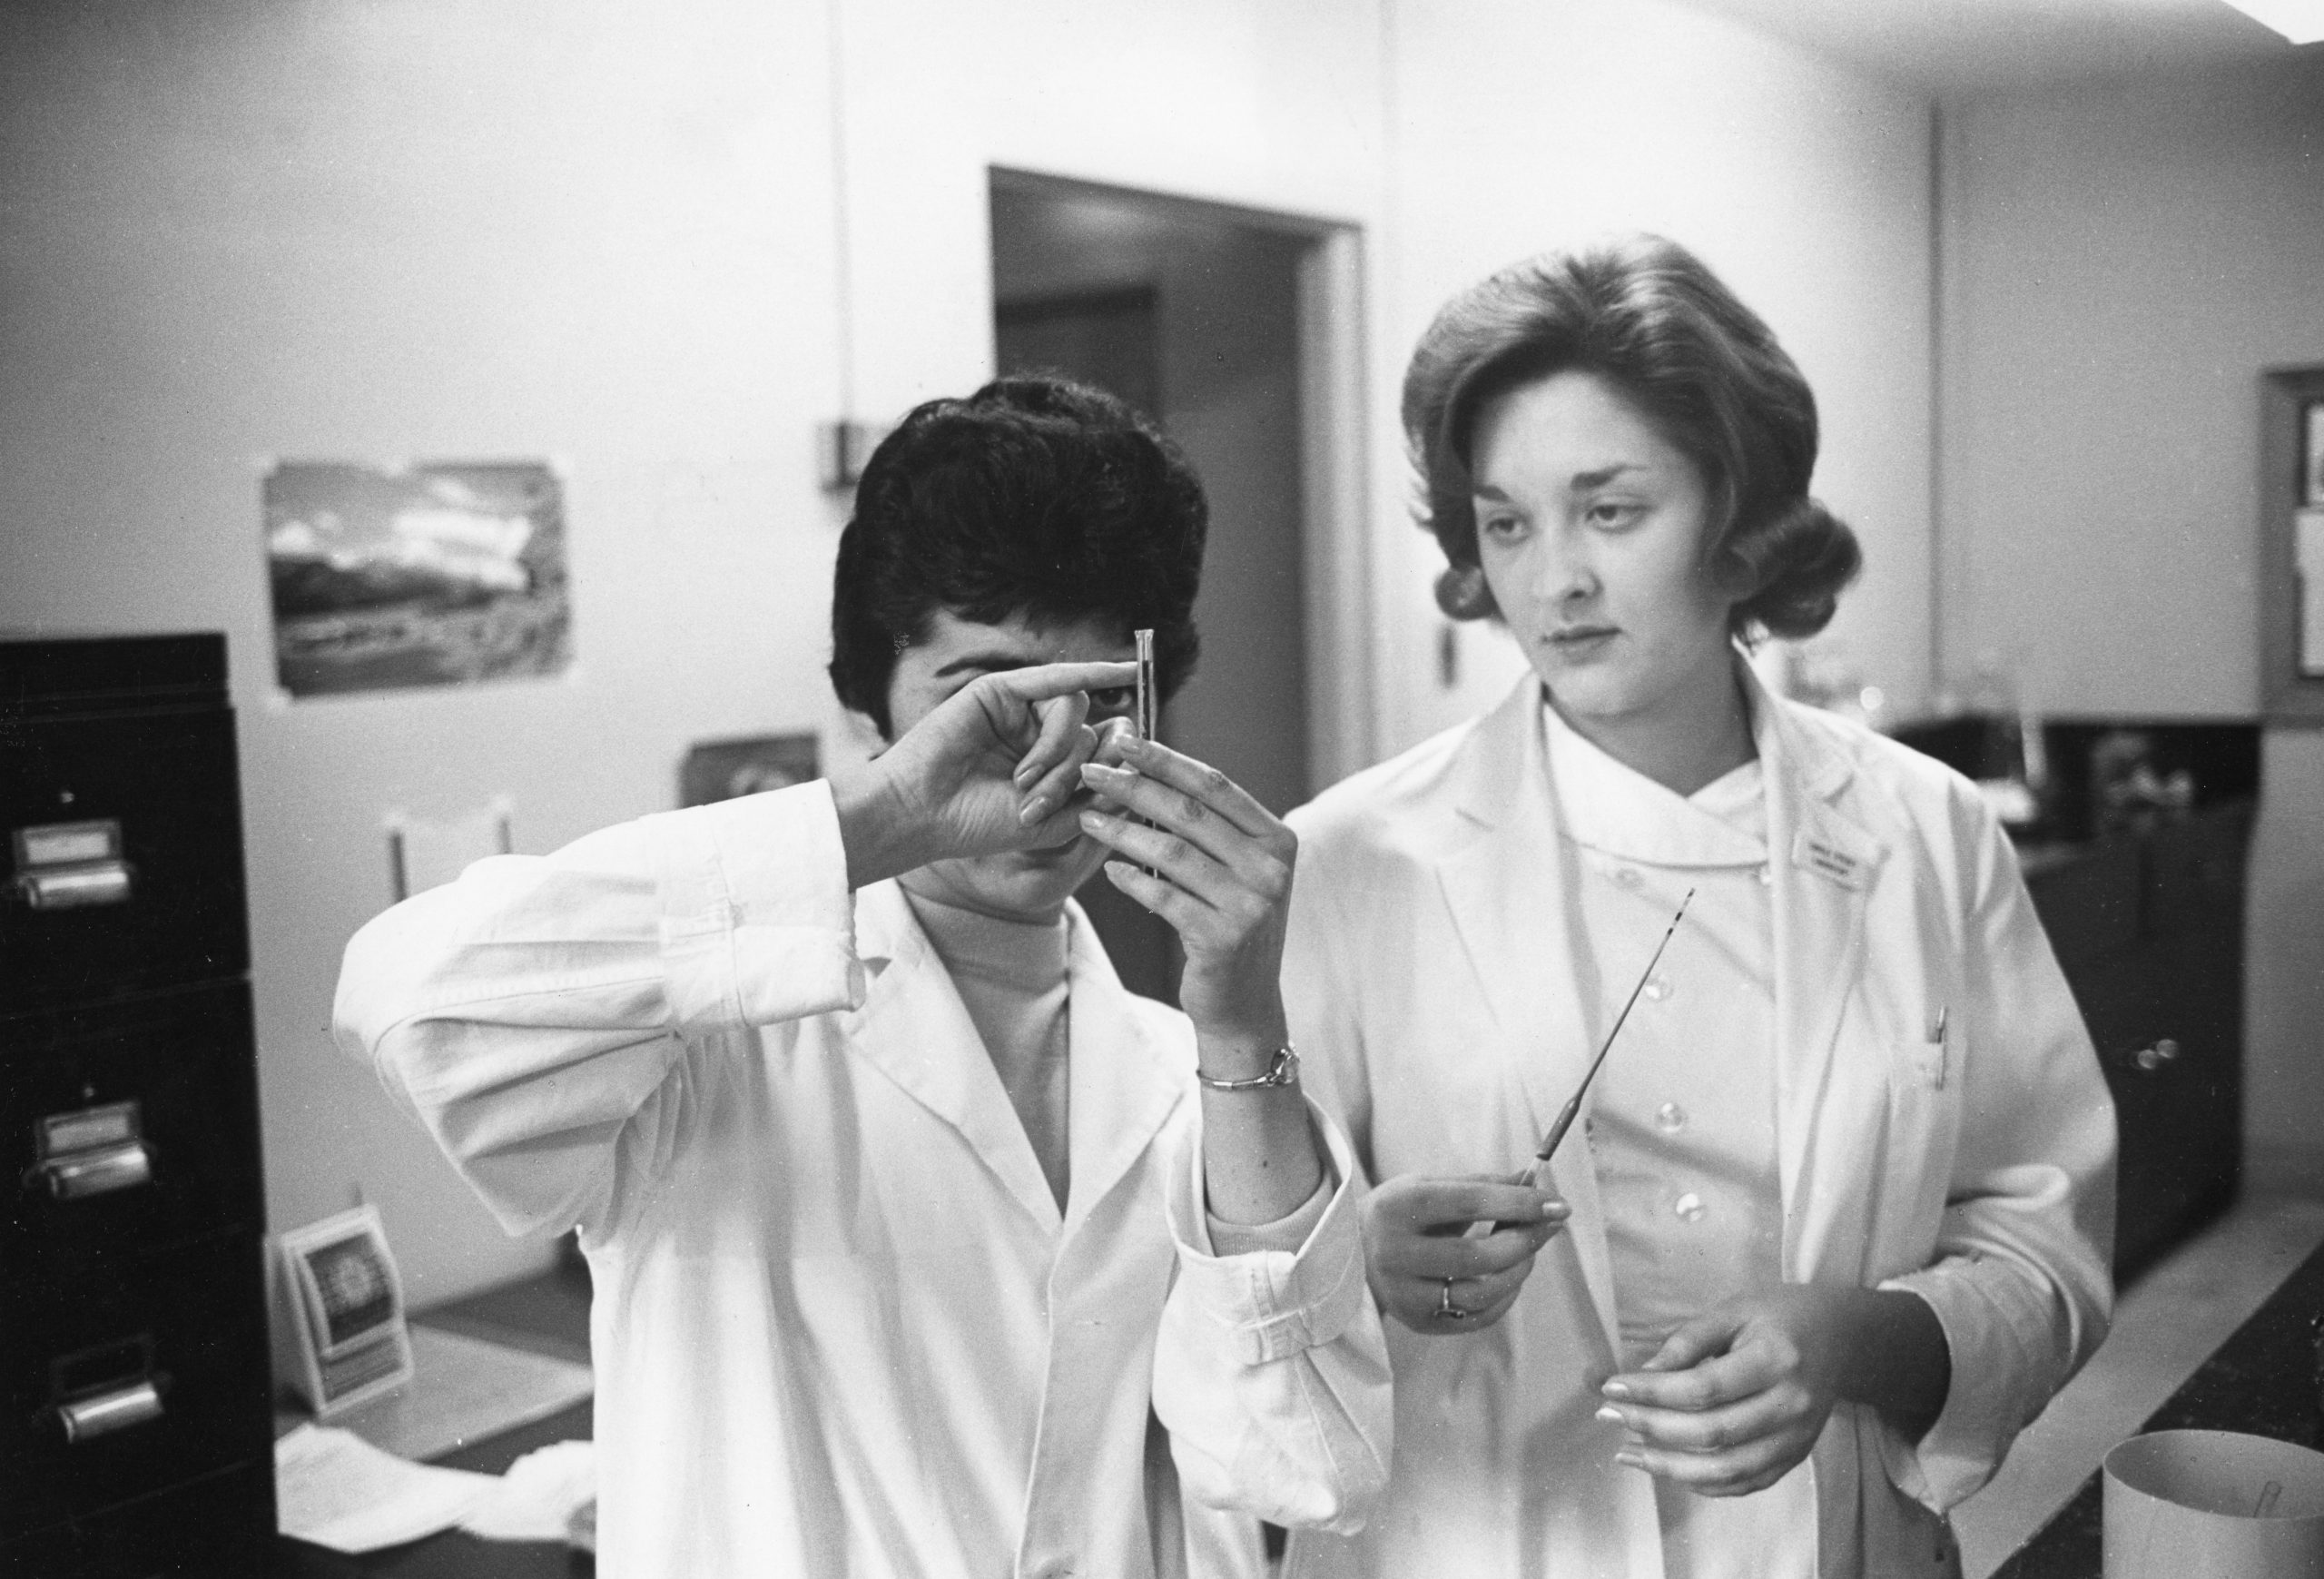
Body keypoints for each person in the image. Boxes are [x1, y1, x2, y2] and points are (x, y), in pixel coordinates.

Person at [333, 376, 1389, 1578]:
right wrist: (880, 822)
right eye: (988, 707)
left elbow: (1307, 1473)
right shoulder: (708, 1042)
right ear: (872, 705)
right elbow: (413, 1007)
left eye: (1093, 703)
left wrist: (1245, 1032)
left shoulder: (1185, 1078)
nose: (1047, 766)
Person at [1278, 237, 2114, 1577]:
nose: (1552, 582)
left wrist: (1852, 1338)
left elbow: (2044, 1244)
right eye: (1507, 522)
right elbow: (1245, 1305)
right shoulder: (1349, 859)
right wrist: (1352, 1260)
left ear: (1740, 524)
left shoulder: (1925, 833)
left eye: (1611, 511)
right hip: (1477, 1537)